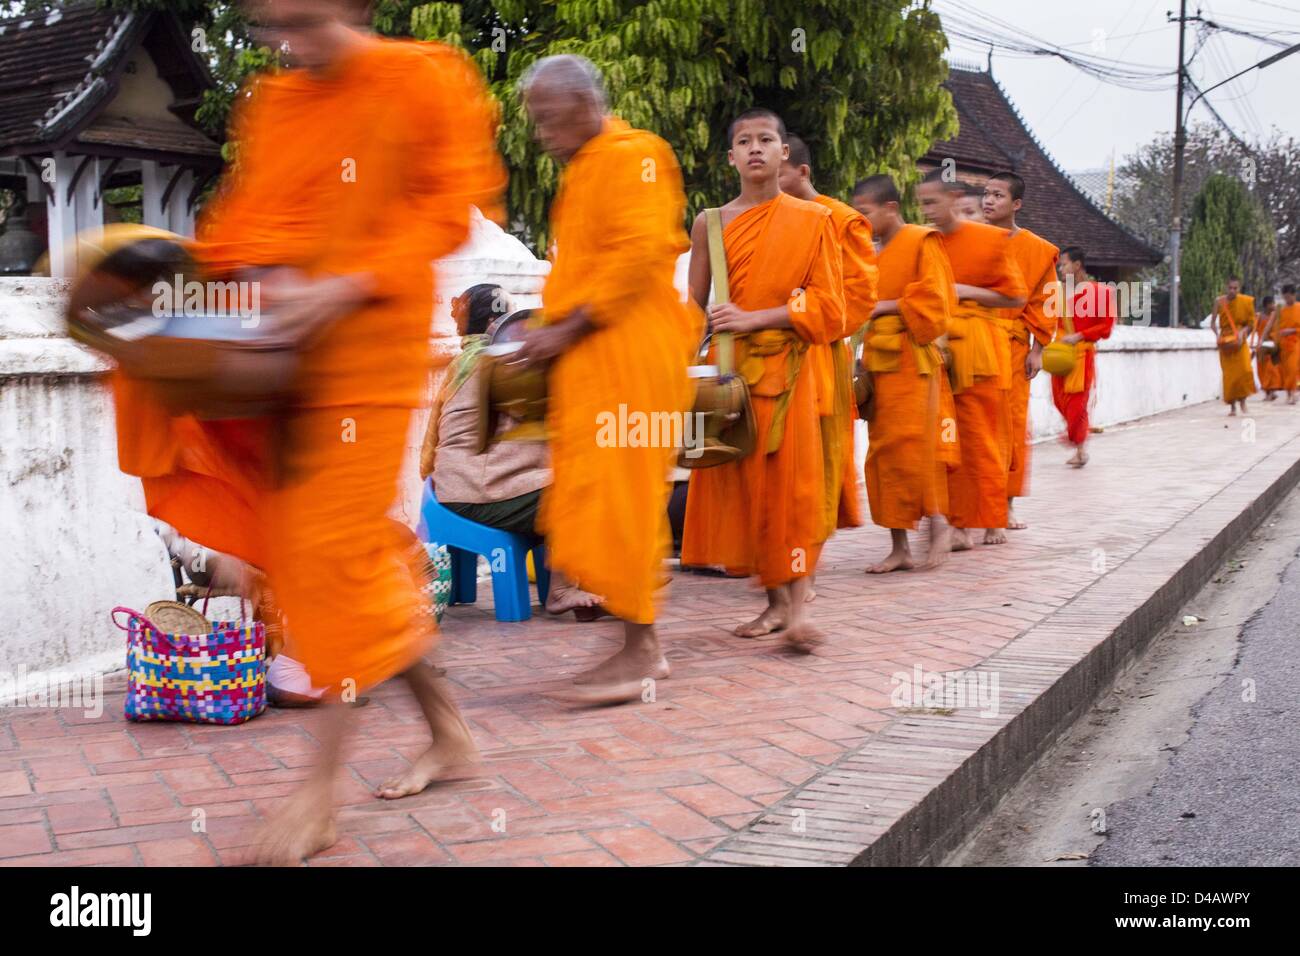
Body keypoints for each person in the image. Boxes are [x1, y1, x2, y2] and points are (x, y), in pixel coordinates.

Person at [109, 0, 507, 863]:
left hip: (366, 359)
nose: (290, 42)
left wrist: (345, 284)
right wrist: (193, 298)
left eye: (306, 19)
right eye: (272, 25)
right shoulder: (277, 102)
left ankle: (319, 796)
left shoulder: (427, 78)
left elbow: (445, 214)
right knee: (345, 561)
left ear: (355, 7)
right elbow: (244, 229)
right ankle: (449, 733)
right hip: (278, 365)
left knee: (330, 561)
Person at [515, 56, 699, 704]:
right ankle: (630, 643)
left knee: (623, 499)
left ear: (582, 103)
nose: (541, 133)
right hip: (593, 359)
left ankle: (643, 651)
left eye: (546, 117)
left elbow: (640, 254)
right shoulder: (583, 172)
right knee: (591, 492)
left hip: (630, 352)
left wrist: (564, 330)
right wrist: (542, 331)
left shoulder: (636, 154)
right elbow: (580, 272)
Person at [680, 108, 845, 651]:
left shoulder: (812, 220)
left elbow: (828, 304)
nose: (755, 148)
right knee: (748, 493)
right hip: (731, 376)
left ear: (783, 154)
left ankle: (798, 612)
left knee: (791, 490)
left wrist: (758, 317)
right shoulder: (710, 222)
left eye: (766, 139)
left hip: (790, 371)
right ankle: (774, 605)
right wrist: (679, 366)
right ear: (731, 157)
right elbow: (694, 305)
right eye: (744, 141)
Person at [419, 284, 602, 617]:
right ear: (494, 322)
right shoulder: (503, 360)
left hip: (456, 487)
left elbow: (432, 438)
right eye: (512, 318)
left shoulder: (463, 361)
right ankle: (561, 590)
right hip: (478, 490)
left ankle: (595, 581)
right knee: (576, 488)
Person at [916, 170, 1026, 550]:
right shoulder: (923, 242)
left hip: (979, 350)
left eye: (933, 202)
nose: (927, 210)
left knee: (982, 439)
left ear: (953, 198)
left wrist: (964, 291)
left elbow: (1016, 298)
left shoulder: (988, 240)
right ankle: (957, 522)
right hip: (936, 348)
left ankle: (991, 518)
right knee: (946, 440)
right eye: (922, 203)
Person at [851, 174, 956, 570]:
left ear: (890, 208)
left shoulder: (921, 240)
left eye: (865, 213)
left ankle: (938, 522)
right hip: (879, 361)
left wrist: (887, 306)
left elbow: (937, 299)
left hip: (914, 362)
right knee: (883, 454)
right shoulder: (871, 255)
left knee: (920, 447)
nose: (861, 222)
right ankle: (899, 547)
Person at [777, 134, 879, 539]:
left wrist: (808, 319)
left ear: (801, 171)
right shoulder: (763, 216)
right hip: (767, 349)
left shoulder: (841, 220)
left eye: (780, 174)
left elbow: (859, 295)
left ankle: (807, 555)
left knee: (816, 453)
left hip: (819, 348)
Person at [982, 171, 1058, 531]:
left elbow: (1047, 302)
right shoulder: (970, 240)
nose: (989, 201)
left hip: (1013, 349)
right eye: (986, 194)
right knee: (973, 426)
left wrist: (1038, 349)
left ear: (1016, 204)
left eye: (998, 195)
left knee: (1010, 426)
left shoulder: (1038, 250)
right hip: (973, 346)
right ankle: (971, 508)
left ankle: (1006, 504)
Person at [1051, 246, 1116, 466]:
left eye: (1064, 264)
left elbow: (1105, 329)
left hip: (1082, 357)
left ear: (1077, 265)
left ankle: (1079, 447)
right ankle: (1077, 440)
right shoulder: (1058, 293)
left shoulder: (1101, 292)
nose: (1060, 269)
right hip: (1060, 356)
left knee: (1077, 406)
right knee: (1060, 401)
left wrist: (1079, 335)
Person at [1213, 276, 1256, 416]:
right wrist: (1217, 335)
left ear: (1239, 288)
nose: (1232, 291)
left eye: (1235, 288)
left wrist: (1243, 332)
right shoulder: (1219, 302)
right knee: (1230, 375)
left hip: (1240, 341)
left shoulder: (1246, 301)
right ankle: (1232, 407)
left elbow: (1251, 323)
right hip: (1226, 341)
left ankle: (1243, 402)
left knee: (1244, 370)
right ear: (1226, 287)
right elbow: (1213, 323)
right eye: (1230, 288)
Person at [1254, 295, 1281, 400]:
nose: (1274, 305)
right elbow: (1254, 330)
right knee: (1262, 371)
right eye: (1272, 304)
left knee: (1272, 370)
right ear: (1266, 305)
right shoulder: (1259, 317)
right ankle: (1267, 392)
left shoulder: (1275, 317)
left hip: (1272, 347)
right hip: (1262, 347)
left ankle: (1272, 391)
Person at [1278, 284, 1300, 405]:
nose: (1287, 300)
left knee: (1292, 369)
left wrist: (1291, 331)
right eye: (1285, 298)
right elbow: (1278, 327)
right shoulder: (1282, 310)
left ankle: (1293, 392)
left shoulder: (1299, 308)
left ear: (1293, 295)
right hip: (1284, 344)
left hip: (1296, 342)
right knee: (1286, 370)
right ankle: (1289, 393)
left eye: (1288, 297)